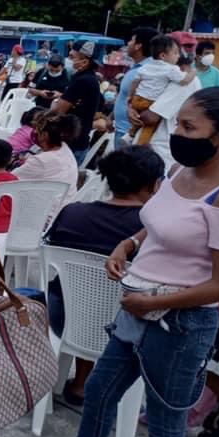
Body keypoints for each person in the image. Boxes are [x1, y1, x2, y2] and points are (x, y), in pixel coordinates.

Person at [19, 87, 219, 437]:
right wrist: (128, 244)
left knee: (165, 422)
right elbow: (156, 223)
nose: (175, 133)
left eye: (187, 127)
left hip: (179, 322)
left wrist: (154, 302)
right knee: (100, 391)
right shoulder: (181, 172)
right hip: (138, 307)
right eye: (176, 123)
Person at [43, 145, 164, 403]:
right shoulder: (154, 231)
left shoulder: (71, 213)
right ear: (154, 185)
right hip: (122, 327)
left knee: (84, 294)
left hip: (62, 319)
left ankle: (81, 381)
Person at [130, 55, 203, 170]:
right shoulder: (191, 81)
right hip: (166, 150)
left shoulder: (181, 82)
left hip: (159, 150)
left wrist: (135, 111)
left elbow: (150, 117)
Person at [125, 34, 196, 145]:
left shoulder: (148, 67)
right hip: (163, 143)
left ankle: (135, 140)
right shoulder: (176, 74)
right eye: (176, 52)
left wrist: (132, 104)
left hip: (161, 145)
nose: (178, 55)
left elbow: (149, 117)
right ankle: (137, 141)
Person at [12, 110, 80, 210]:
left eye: (38, 132)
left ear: (45, 135)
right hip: (65, 209)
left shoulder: (42, 161)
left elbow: (9, 180)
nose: (35, 134)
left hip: (45, 216)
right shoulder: (66, 149)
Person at [53, 40, 102, 164]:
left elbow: (60, 110)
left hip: (72, 143)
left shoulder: (83, 80)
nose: (68, 60)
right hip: (78, 140)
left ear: (85, 62)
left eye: (72, 57)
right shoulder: (89, 79)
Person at [114, 27, 158, 148]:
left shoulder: (149, 71)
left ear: (138, 46)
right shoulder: (136, 67)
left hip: (130, 134)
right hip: (121, 128)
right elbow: (124, 96)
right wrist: (111, 117)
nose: (128, 43)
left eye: (131, 40)